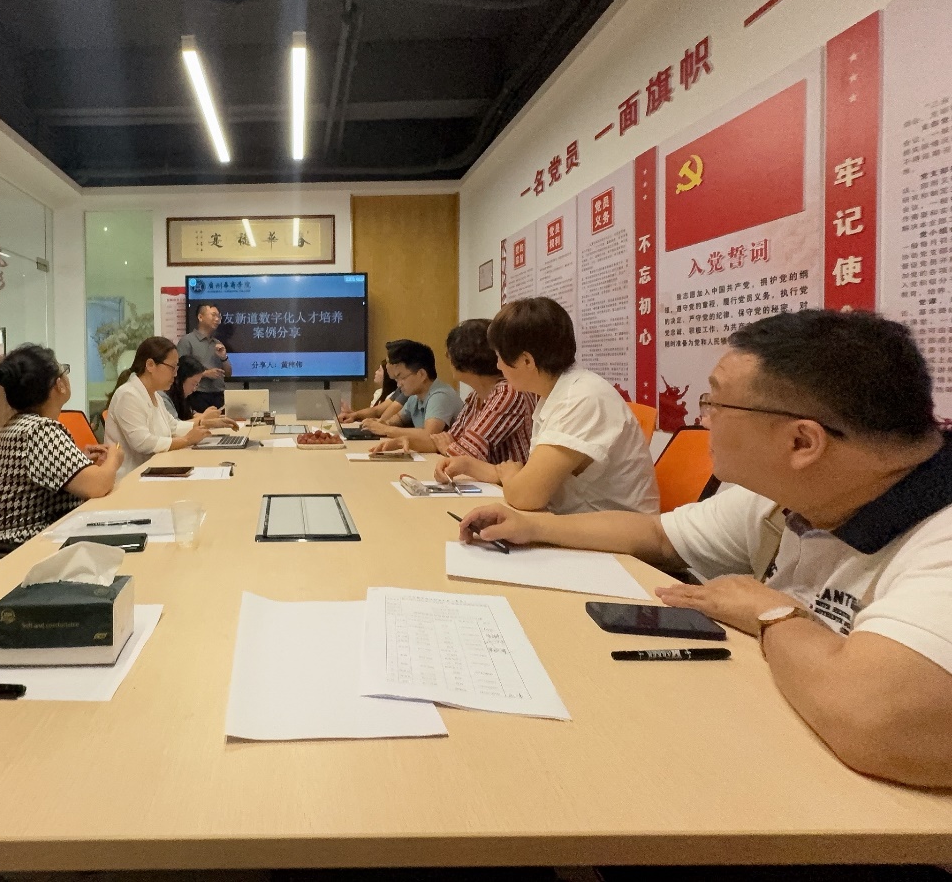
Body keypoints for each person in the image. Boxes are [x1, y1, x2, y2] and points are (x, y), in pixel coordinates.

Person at [457, 309, 952, 789]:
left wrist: (771, 613)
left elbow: (876, 722)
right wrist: (532, 526)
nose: (703, 419)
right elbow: (656, 535)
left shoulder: (938, 534)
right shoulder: (788, 494)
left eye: (715, 405)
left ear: (802, 442)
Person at [440, 297, 657, 514]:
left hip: (615, 530)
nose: (498, 366)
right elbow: (526, 476)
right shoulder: (557, 392)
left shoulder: (581, 399)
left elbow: (525, 496)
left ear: (526, 361)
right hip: (579, 519)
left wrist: (512, 476)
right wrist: (469, 466)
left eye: (500, 357)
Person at [0, 345, 123, 552]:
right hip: (26, 549)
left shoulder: (15, 427)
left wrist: (79, 462)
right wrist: (114, 457)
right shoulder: (39, 430)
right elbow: (98, 486)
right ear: (59, 385)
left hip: (24, 543)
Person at [371, 319, 534, 464]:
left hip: (503, 485)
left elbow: (466, 453)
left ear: (465, 357)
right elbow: (448, 439)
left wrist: (450, 446)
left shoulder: (507, 392)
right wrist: (405, 441)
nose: (446, 356)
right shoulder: (476, 395)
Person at [104, 337, 234, 478]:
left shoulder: (155, 395)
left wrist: (206, 425)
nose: (176, 374)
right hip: (130, 478)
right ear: (150, 365)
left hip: (153, 470)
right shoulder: (128, 395)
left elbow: (173, 427)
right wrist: (186, 440)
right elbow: (142, 442)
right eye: (172, 368)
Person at [362, 340, 463, 438]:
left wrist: (385, 429)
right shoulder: (415, 396)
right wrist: (380, 424)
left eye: (402, 377)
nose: (399, 385)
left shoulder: (440, 395)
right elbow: (399, 419)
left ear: (421, 374)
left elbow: (429, 434)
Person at [176, 302, 231, 414]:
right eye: (213, 315)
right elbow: (180, 371)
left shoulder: (218, 343)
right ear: (200, 317)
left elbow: (229, 374)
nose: (217, 319)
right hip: (197, 395)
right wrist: (205, 373)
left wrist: (224, 358)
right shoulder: (187, 341)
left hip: (219, 395)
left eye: (219, 316)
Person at [340, 356, 407, 425]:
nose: (399, 384)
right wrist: (354, 415)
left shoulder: (408, 392)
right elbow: (377, 411)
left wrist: (377, 423)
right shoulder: (401, 390)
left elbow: (384, 419)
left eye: (402, 377)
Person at [161, 354, 207, 420]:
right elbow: (176, 425)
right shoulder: (163, 398)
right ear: (180, 379)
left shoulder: (182, 397)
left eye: (197, 384)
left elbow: (191, 414)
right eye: (193, 384)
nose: (194, 389)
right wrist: (203, 418)